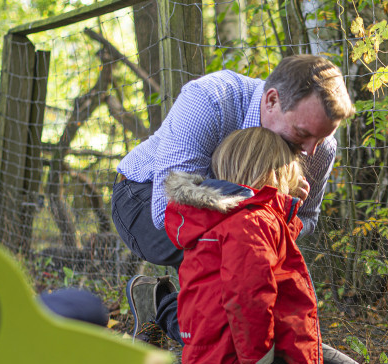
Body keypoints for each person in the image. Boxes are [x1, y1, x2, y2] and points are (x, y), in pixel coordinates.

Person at [111, 54, 354, 347]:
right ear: (272, 100)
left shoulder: (319, 147)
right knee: (232, 286)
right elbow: (170, 206)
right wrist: (266, 201)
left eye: (322, 138)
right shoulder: (210, 99)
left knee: (259, 282)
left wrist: (282, 217)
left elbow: (308, 218)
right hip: (143, 197)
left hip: (230, 226)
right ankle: (161, 307)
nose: (310, 152)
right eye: (302, 134)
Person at [162, 127, 368, 364]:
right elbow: (249, 297)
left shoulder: (226, 217)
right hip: (242, 351)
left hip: (217, 345)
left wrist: (285, 210)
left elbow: (270, 254)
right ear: (276, 172)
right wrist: (258, 363)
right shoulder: (254, 221)